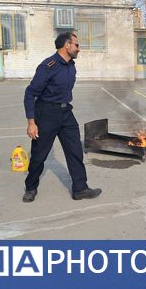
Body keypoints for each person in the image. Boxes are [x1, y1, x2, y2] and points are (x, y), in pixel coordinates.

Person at [22, 32, 102, 202]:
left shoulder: (71, 65)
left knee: (75, 151)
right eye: (76, 45)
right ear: (67, 45)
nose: (78, 49)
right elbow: (30, 93)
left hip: (66, 113)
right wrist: (31, 122)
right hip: (46, 114)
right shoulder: (48, 66)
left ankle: (80, 188)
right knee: (39, 155)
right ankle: (30, 187)